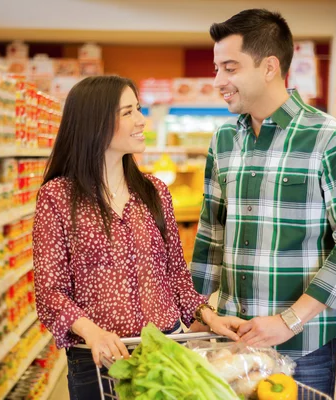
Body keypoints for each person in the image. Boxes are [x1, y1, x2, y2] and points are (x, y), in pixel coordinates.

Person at [189, 9, 336, 397]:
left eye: (229, 68)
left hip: (302, 343)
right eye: (216, 68)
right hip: (228, 339)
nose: (218, 81)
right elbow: (211, 234)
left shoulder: (331, 139)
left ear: (270, 67)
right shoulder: (223, 140)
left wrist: (289, 319)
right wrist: (194, 310)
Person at [32, 75, 244, 400]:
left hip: (166, 352)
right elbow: (51, 291)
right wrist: (92, 332)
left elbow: (175, 277)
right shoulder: (58, 197)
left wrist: (208, 317)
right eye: (128, 111)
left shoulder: (154, 191)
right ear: (96, 122)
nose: (141, 120)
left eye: (139, 109)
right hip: (100, 360)